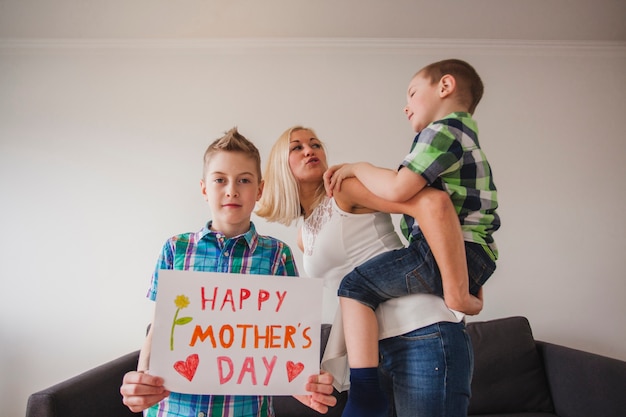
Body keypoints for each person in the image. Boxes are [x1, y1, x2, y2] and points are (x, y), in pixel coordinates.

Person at [256, 125, 479, 417]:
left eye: (315, 144)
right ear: (279, 166)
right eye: (296, 147)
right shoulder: (302, 235)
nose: (310, 150)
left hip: (421, 331)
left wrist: (457, 289)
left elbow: (430, 205)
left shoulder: (346, 191)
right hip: (372, 353)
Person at [323, 58, 500, 416]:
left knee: (354, 286)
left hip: (446, 250)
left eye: (412, 93)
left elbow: (400, 188)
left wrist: (358, 167)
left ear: (445, 86)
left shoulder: (442, 131)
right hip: (474, 252)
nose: (406, 105)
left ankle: (364, 396)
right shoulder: (465, 137)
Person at [119, 127, 337, 417]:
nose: (232, 190)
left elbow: (288, 337)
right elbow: (159, 326)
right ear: (204, 189)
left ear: (259, 190)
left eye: (244, 180)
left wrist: (306, 382)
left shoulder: (276, 255)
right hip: (174, 410)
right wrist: (142, 375)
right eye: (220, 179)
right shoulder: (175, 249)